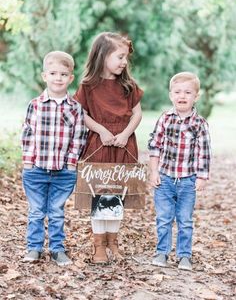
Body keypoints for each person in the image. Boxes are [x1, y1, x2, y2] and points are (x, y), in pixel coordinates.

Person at [74, 32, 143, 264]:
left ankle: (113, 242)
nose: (124, 62)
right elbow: (82, 114)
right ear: (103, 56)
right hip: (99, 143)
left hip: (123, 144)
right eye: (120, 57)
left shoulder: (128, 85)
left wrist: (125, 133)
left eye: (126, 58)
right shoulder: (88, 86)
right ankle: (98, 246)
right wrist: (102, 130)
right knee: (99, 195)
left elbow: (137, 113)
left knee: (116, 195)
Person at [21, 51, 87, 266]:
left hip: (63, 171)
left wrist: (71, 163)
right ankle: (34, 248)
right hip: (36, 169)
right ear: (44, 76)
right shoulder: (36, 104)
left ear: (70, 78)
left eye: (63, 74)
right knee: (37, 211)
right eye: (53, 73)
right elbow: (28, 133)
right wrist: (28, 161)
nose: (58, 78)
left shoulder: (75, 108)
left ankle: (57, 249)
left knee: (57, 212)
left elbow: (78, 137)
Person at [148, 72, 211, 271]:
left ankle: (184, 255)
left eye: (187, 92)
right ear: (170, 95)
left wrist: (202, 176)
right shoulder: (165, 119)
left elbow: (204, 152)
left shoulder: (199, 123)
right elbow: (155, 146)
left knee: (185, 219)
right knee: (164, 217)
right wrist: (154, 172)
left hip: (188, 180)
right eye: (177, 92)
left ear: (196, 96)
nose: (182, 96)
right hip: (165, 178)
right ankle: (162, 252)